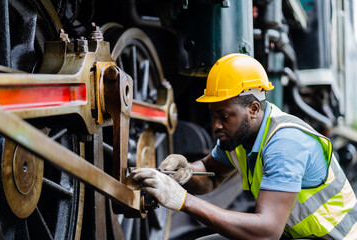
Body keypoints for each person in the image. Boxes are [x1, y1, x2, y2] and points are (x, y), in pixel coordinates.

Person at [131, 53, 357, 239]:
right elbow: (212, 175)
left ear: (254, 109)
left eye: (224, 116)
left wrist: (182, 200)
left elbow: (267, 232)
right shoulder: (240, 137)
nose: (216, 126)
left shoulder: (285, 145)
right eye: (213, 116)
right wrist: (183, 173)